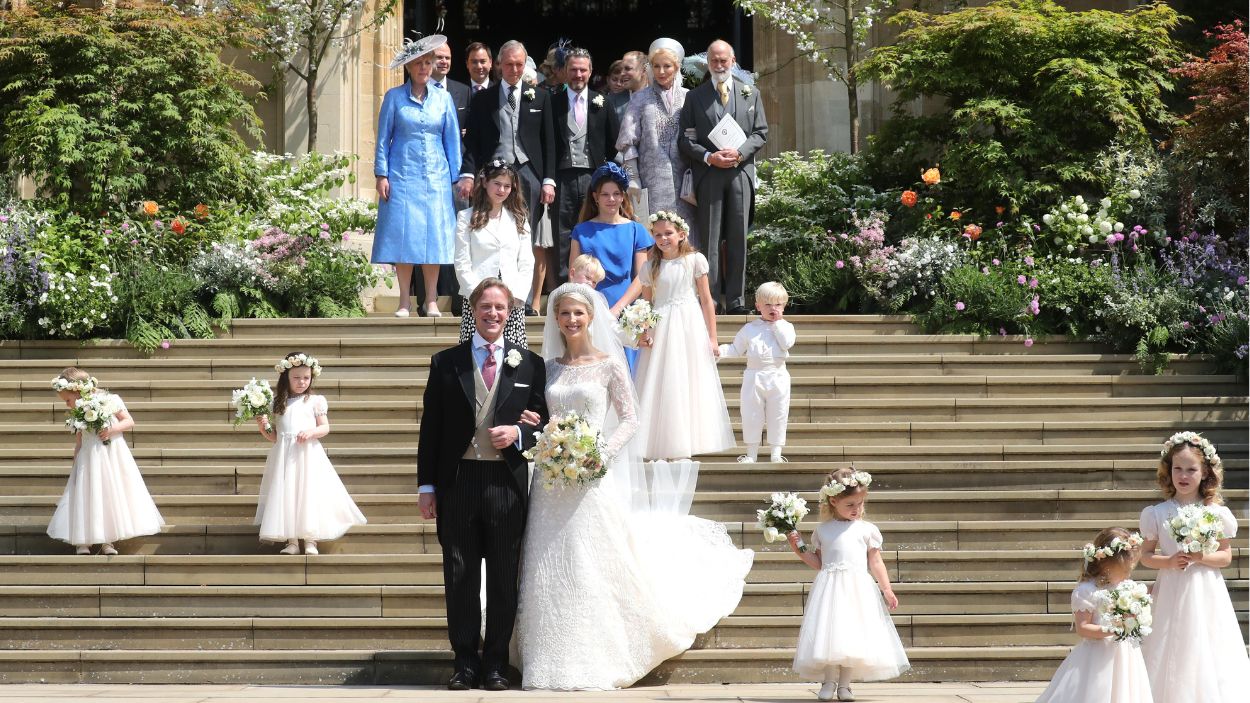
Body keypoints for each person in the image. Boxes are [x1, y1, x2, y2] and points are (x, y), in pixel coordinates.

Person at [515, 283, 752, 690]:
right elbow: (537, 414)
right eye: (564, 313)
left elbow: (630, 417)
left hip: (591, 473)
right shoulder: (545, 367)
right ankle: (547, 656)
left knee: (592, 561)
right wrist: (542, 439)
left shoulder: (608, 364)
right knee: (546, 561)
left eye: (578, 313)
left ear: (590, 317)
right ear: (555, 319)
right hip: (551, 480)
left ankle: (599, 652)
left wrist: (600, 452)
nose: (571, 320)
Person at [417, 278, 549, 691]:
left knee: (504, 576)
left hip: (505, 483)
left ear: (510, 314)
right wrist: (426, 486)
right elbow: (431, 429)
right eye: (486, 307)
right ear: (472, 310)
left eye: (501, 308)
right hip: (457, 481)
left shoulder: (530, 364)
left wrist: (520, 435)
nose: (493, 314)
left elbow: (542, 423)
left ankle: (495, 664)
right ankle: (465, 663)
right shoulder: (445, 362)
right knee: (459, 575)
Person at [1138, 432, 1248, 702]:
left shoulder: (1215, 512)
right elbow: (1146, 556)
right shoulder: (1157, 513)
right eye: (1178, 468)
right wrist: (1170, 561)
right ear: (1168, 471)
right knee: (1169, 641)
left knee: (1206, 640)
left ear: (1205, 473)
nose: (1183, 475)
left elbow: (1224, 556)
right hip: (1171, 587)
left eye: (1191, 469)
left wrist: (1200, 557)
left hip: (1205, 588)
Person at [787, 469, 909, 702]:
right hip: (831, 587)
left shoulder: (866, 530)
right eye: (851, 504)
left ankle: (845, 685)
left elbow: (875, 561)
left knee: (853, 634)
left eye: (860, 504)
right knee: (831, 634)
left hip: (857, 588)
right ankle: (829, 681)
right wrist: (798, 546)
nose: (857, 509)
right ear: (833, 501)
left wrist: (886, 588)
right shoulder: (823, 530)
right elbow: (819, 562)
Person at [459, 40, 557, 316]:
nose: (515, 69)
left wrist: (548, 179)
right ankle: (488, 296)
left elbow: (549, 141)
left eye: (520, 64)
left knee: (528, 236)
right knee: (492, 233)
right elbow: (473, 143)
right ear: (499, 65)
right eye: (509, 64)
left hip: (529, 173)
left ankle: (525, 299)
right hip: (493, 176)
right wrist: (470, 174)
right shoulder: (483, 99)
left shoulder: (540, 97)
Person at [628, 211, 734, 460]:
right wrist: (644, 332)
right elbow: (646, 305)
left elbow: (707, 301)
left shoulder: (694, 260)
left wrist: (713, 337)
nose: (663, 238)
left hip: (688, 323)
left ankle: (686, 440)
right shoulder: (649, 267)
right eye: (658, 234)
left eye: (668, 233)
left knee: (687, 379)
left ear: (681, 234)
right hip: (661, 325)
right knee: (662, 379)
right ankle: (662, 441)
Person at [373, 34, 462, 318]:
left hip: (436, 176)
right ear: (408, 67)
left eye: (428, 62)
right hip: (402, 174)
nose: (424, 67)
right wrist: (381, 174)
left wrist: (456, 178)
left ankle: (431, 300)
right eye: (418, 63)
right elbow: (382, 139)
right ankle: (403, 301)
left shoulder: (444, 98)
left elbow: (452, 142)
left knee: (434, 236)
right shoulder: (394, 97)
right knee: (404, 236)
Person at [678, 39, 768, 314]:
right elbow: (684, 139)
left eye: (723, 60)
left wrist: (739, 154)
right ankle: (712, 299)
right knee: (711, 239)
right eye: (714, 60)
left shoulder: (750, 93)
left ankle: (737, 301)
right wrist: (709, 157)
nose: (719, 65)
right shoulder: (694, 97)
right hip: (710, 175)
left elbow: (761, 133)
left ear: (732, 61)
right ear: (708, 62)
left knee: (738, 238)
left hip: (740, 173)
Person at [254, 353, 366, 555]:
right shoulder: (279, 403)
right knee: (287, 495)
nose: (301, 382)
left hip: (307, 455)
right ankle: (292, 541)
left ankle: (311, 540)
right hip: (285, 457)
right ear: (286, 378)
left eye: (306, 378)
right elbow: (275, 437)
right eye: (296, 377)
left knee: (308, 494)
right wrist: (263, 427)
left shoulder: (315, 401)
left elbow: (325, 427)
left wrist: (311, 432)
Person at [47, 368, 164, 555]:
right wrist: (76, 460)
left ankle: (107, 540)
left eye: (68, 400)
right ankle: (82, 540)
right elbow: (79, 439)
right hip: (88, 457)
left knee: (109, 494)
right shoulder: (78, 411)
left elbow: (128, 421)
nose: (68, 405)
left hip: (110, 454)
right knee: (86, 495)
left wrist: (111, 430)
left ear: (78, 391)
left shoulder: (110, 399)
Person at [1034, 527, 1153, 703]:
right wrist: (1112, 629)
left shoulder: (1126, 586)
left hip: (1126, 654)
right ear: (1105, 564)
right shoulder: (1087, 591)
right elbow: (1083, 628)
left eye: (1130, 568)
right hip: (1098, 656)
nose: (1128, 574)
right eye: (1124, 569)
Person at [617, 38, 698, 243]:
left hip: (684, 183)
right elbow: (627, 141)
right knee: (654, 237)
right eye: (656, 66)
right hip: (650, 181)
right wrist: (633, 176)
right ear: (650, 68)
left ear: (677, 67)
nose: (661, 71)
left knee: (684, 237)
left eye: (667, 66)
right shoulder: (640, 98)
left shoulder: (690, 97)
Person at [552, 47, 620, 282]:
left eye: (582, 70)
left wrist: (608, 179)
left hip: (594, 176)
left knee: (593, 227)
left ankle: (594, 281)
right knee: (562, 232)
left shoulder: (603, 102)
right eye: (573, 70)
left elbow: (614, 144)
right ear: (563, 72)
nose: (578, 75)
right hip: (562, 176)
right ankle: (564, 284)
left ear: (590, 72)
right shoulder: (553, 102)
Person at [453, 160, 534, 348]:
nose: (502, 190)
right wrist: (476, 296)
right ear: (484, 182)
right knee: (474, 353)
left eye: (507, 186)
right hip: (477, 297)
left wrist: (518, 295)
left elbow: (526, 261)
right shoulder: (466, 217)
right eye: (497, 184)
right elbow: (462, 261)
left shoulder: (519, 219)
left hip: (511, 298)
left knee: (512, 356)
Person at [719, 281, 795, 463]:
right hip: (754, 375)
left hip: (777, 375)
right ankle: (751, 453)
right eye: (767, 304)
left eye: (777, 304)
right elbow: (735, 349)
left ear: (784, 306)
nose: (773, 308)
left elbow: (786, 343)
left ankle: (776, 452)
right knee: (751, 414)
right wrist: (717, 351)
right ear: (758, 306)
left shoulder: (786, 327)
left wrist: (777, 324)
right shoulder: (749, 329)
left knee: (778, 413)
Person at [568, 162, 653, 308]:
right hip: (591, 309)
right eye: (605, 194)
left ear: (622, 197)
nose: (611, 199)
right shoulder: (581, 231)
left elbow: (641, 277)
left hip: (627, 311)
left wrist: (618, 309)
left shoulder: (636, 230)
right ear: (596, 197)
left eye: (616, 194)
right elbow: (574, 277)